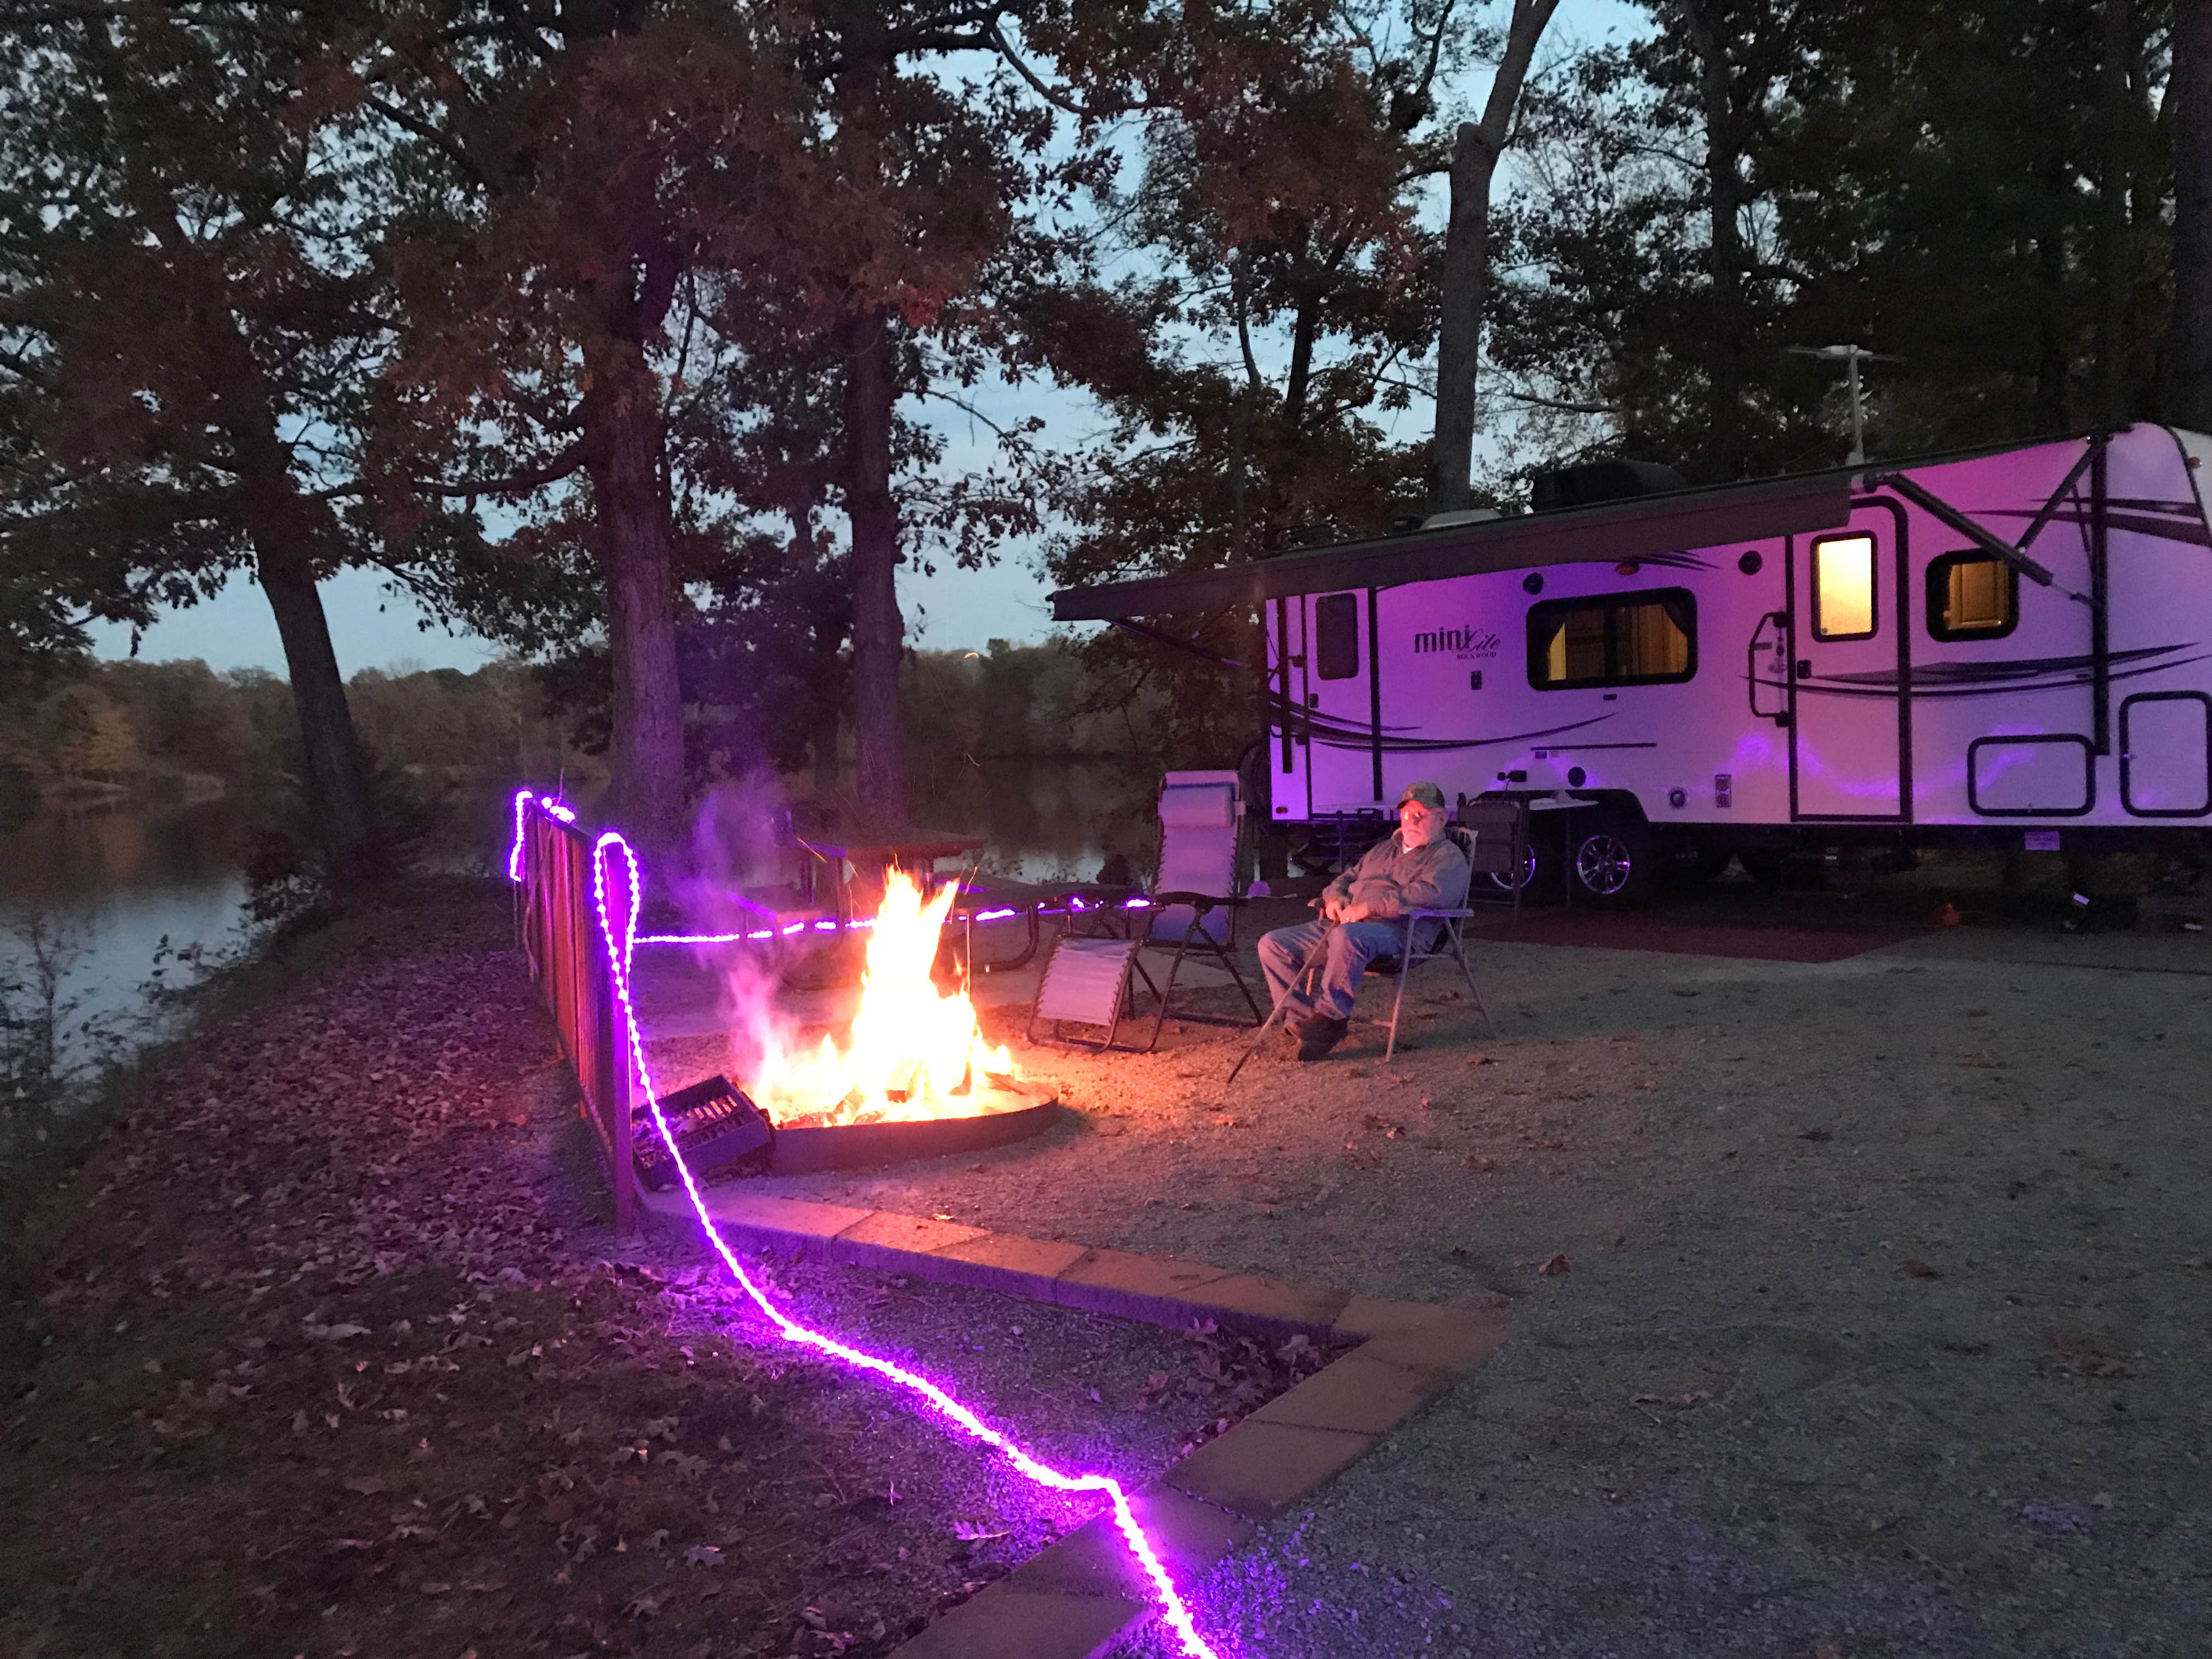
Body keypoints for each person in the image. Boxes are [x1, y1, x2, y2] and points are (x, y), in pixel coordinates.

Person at [1256, 781, 1471, 1062]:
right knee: (1273, 944)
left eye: (1422, 814)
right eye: (1407, 814)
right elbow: (1345, 878)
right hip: (1346, 926)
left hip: (1400, 932)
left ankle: (1331, 1017)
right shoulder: (1382, 850)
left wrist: (1369, 907)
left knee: (1348, 937)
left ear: (1442, 818)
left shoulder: (1447, 857)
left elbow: (1431, 894)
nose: (1412, 820)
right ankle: (1305, 1021)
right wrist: (1334, 898)